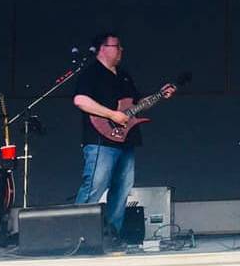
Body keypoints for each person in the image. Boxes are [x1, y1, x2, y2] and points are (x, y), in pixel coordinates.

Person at [73, 33, 176, 236]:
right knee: (95, 185)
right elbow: (80, 100)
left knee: (122, 189)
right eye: (117, 46)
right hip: (100, 140)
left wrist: (159, 95)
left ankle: (112, 234)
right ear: (102, 48)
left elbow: (136, 104)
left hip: (125, 140)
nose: (121, 50)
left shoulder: (123, 74)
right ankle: (78, 234)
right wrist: (112, 114)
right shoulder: (91, 73)